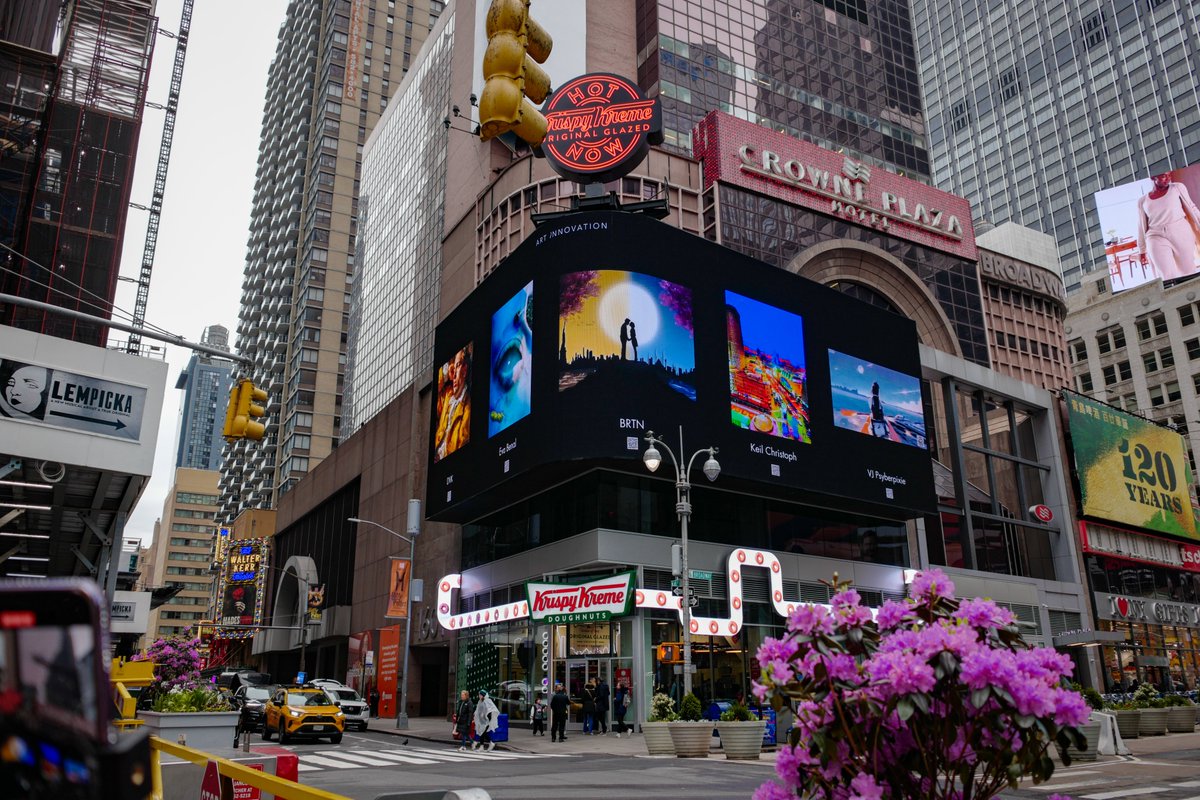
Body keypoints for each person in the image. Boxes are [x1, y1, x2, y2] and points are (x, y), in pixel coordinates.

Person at [1138, 172, 1200, 281]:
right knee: (1166, 275)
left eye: (1169, 175)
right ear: (1153, 177)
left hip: (1180, 231)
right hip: (1155, 236)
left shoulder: (1177, 188)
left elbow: (1192, 206)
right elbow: (1141, 225)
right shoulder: (1142, 201)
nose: (1167, 178)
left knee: (1188, 271)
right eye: (1163, 176)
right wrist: (1142, 250)